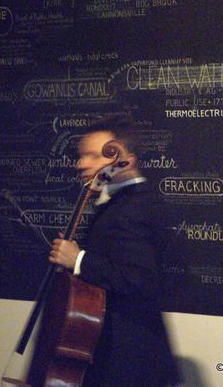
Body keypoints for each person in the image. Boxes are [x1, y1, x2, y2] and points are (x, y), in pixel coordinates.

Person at [49, 116, 181, 386]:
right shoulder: (119, 204)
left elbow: (140, 279)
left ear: (126, 161)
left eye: (93, 156)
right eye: (81, 156)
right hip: (118, 358)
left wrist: (79, 259)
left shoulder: (134, 208)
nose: (81, 164)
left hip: (128, 362)